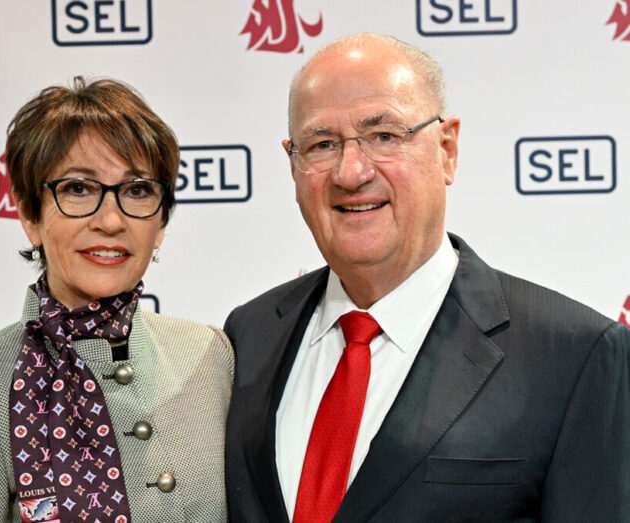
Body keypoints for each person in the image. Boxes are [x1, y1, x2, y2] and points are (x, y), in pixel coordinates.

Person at [224, 33, 630, 522]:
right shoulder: (248, 334)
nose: (351, 172)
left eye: (385, 136)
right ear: (293, 165)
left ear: (447, 149)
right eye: (322, 144)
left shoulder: (574, 355)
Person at [0, 77, 232, 522]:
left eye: (137, 190)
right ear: (29, 215)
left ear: (160, 223)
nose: (110, 220)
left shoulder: (210, 355)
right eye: (78, 189)